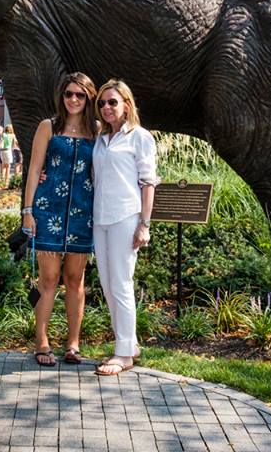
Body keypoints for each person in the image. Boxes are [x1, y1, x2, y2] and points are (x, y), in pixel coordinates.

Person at [22, 72, 98, 367]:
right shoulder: (48, 127)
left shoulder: (97, 130)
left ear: (88, 98)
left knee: (75, 280)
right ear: (61, 97)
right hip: (48, 209)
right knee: (49, 279)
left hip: (82, 213)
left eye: (80, 95)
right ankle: (41, 340)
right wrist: (28, 212)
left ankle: (73, 343)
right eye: (69, 94)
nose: (74, 99)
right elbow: (33, 169)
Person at [91, 78, 158, 376]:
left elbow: (148, 182)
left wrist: (144, 224)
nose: (106, 107)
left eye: (112, 102)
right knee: (108, 285)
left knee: (121, 284)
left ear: (126, 105)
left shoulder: (139, 137)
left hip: (126, 218)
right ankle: (129, 344)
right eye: (102, 103)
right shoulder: (101, 138)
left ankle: (123, 355)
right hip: (100, 219)